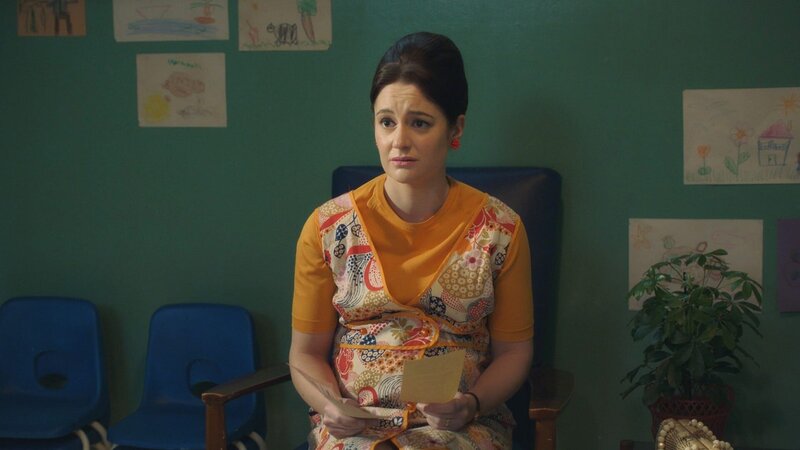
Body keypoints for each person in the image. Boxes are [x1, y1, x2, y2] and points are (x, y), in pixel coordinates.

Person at [289, 31, 534, 450]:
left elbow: (514, 353)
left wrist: (471, 405)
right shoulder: (327, 227)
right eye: (386, 122)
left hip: (460, 428)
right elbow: (305, 353)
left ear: (455, 128)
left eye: (419, 123)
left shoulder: (500, 230)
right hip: (355, 429)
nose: (399, 141)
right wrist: (329, 404)